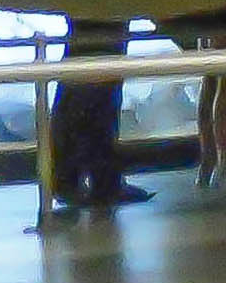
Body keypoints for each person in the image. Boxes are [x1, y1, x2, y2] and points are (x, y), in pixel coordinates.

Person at [47, 19, 152, 211]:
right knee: (100, 82)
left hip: (91, 9)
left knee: (85, 76)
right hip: (103, 10)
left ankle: (71, 177)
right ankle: (98, 179)